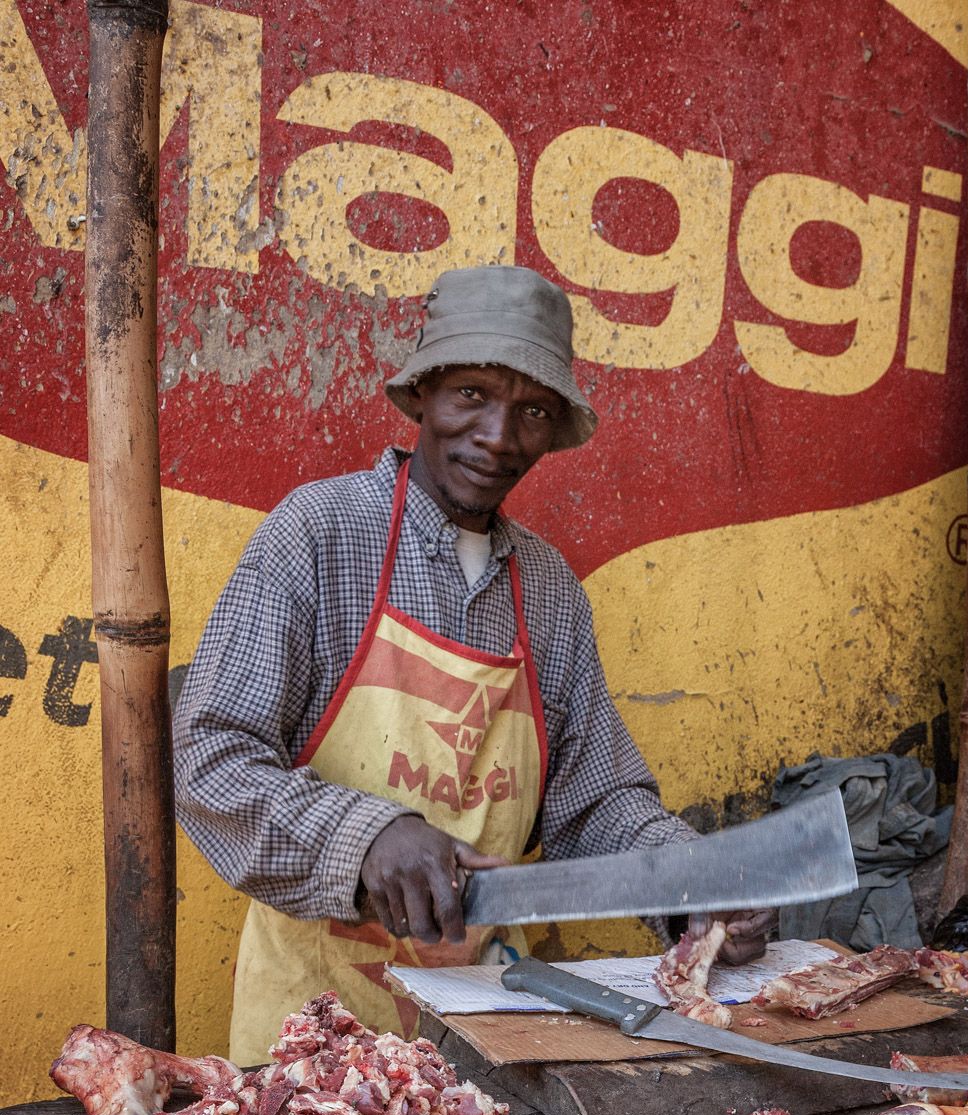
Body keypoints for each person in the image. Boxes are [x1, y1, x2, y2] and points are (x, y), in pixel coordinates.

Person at [174, 265, 770, 1063]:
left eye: (530, 411)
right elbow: (211, 761)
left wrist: (689, 885)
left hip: (489, 1032)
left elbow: (592, 803)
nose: (498, 436)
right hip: (311, 1042)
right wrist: (369, 836)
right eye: (471, 396)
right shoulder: (316, 534)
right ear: (422, 392)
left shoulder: (550, 591)